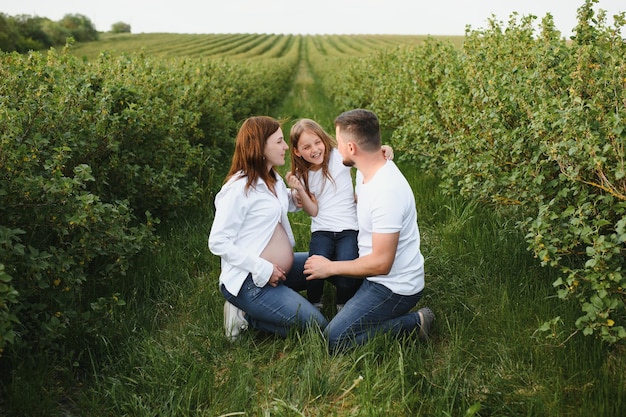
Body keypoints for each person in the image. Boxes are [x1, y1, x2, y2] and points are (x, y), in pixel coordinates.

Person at [303, 109, 434, 353]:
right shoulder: (368, 170)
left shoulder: (386, 192)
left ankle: (415, 323)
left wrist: (329, 268)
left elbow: (382, 264)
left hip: (392, 286)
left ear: (351, 148)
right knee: (305, 263)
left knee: (334, 340)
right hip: (370, 267)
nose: (336, 147)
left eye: (339, 142)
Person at [208, 116, 327, 341]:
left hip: (278, 271)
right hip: (250, 281)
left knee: (325, 264)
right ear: (260, 147)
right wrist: (263, 269)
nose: (285, 147)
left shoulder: (272, 178)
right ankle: (246, 316)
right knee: (317, 328)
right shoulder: (237, 189)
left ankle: (271, 306)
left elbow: (277, 206)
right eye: (279, 142)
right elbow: (218, 241)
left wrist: (295, 197)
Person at [285, 119, 393, 313]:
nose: (315, 149)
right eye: (306, 147)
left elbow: (362, 154)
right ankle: (315, 303)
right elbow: (313, 211)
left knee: (348, 269)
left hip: (349, 228)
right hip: (322, 230)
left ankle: (343, 303)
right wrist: (300, 189)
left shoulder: (337, 157)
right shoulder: (303, 175)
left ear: (324, 140)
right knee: (313, 268)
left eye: (317, 142)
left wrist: (382, 149)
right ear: (297, 151)